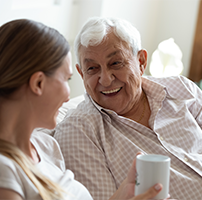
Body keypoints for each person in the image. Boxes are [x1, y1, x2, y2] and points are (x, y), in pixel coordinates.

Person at [54, 16, 202, 200]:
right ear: (81, 73)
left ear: (141, 61)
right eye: (92, 69)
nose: (106, 79)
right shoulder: (78, 131)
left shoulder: (182, 89)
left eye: (116, 63)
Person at [0, 19, 164, 200]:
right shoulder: (4, 169)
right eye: (66, 79)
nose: (68, 97)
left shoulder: (46, 147)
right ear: (38, 83)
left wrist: (124, 194)